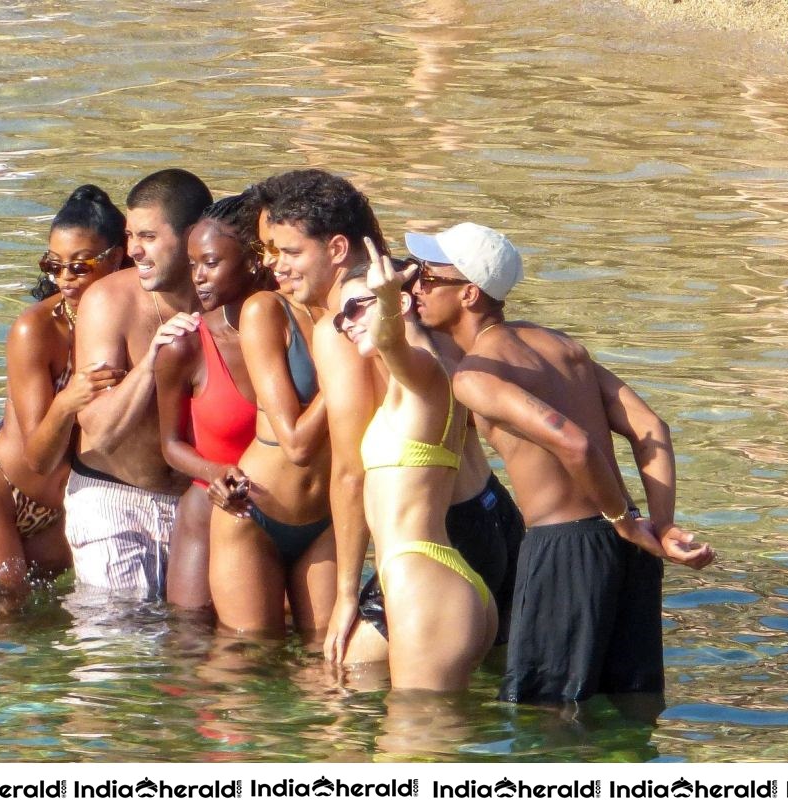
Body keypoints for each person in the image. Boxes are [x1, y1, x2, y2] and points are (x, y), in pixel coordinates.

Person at [408, 221, 715, 704]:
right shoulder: (561, 345)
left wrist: (624, 523)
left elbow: (574, 444)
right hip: (630, 544)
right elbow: (652, 427)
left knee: (546, 715)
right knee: (628, 705)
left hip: (565, 548)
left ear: (468, 294)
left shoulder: (475, 377)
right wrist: (658, 525)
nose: (415, 285)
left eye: (427, 276)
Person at [207, 170, 370, 639]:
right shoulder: (268, 311)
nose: (276, 266)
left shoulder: (361, 313)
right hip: (255, 513)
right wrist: (342, 371)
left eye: (288, 252)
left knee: (328, 665)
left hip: (327, 519)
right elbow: (295, 442)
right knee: (248, 664)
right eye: (270, 252)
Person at [0, 185, 127, 593]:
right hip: (4, 495)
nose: (64, 279)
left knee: (51, 623)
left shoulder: (129, 318)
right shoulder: (36, 330)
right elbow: (38, 456)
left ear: (117, 258)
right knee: (1, 614)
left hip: (73, 499)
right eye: (54, 264)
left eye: (80, 267)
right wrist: (66, 403)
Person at [334, 251, 496, 690]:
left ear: (400, 306)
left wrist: (385, 302)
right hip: (429, 576)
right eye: (338, 318)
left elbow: (392, 343)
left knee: (414, 746)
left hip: (421, 580)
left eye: (354, 308)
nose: (345, 323)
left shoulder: (421, 372)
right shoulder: (419, 381)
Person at [67, 169, 213, 599]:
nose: (134, 251)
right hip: (112, 497)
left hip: (198, 502)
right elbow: (100, 430)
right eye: (130, 236)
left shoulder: (232, 297)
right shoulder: (109, 301)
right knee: (118, 653)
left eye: (147, 236)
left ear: (192, 235)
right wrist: (152, 363)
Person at [154, 192, 273, 610]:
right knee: (193, 651)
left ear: (254, 261)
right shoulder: (185, 346)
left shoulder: (299, 333)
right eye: (192, 264)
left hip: (288, 513)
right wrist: (217, 471)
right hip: (209, 512)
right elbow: (170, 446)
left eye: (211, 263)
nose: (198, 278)